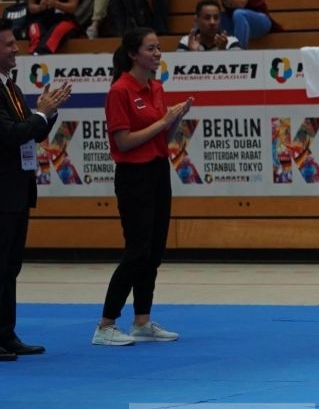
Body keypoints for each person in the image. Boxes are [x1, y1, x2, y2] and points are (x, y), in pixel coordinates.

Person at [92, 29, 191, 348]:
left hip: (159, 170)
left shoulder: (157, 87)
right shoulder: (120, 90)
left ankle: (142, 320)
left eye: (159, 48)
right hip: (133, 175)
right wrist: (162, 123)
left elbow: (162, 138)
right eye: (151, 49)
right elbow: (123, 141)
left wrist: (175, 119)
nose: (158, 53)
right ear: (134, 54)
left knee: (153, 251)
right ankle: (106, 324)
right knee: (136, 251)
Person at [0, 32, 71, 360]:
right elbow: (11, 134)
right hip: (2, 191)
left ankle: (6, 333)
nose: (16, 49)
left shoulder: (10, 86)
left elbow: (31, 130)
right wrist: (40, 115)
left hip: (16, 189)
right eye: (9, 45)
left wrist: (49, 112)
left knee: (10, 266)